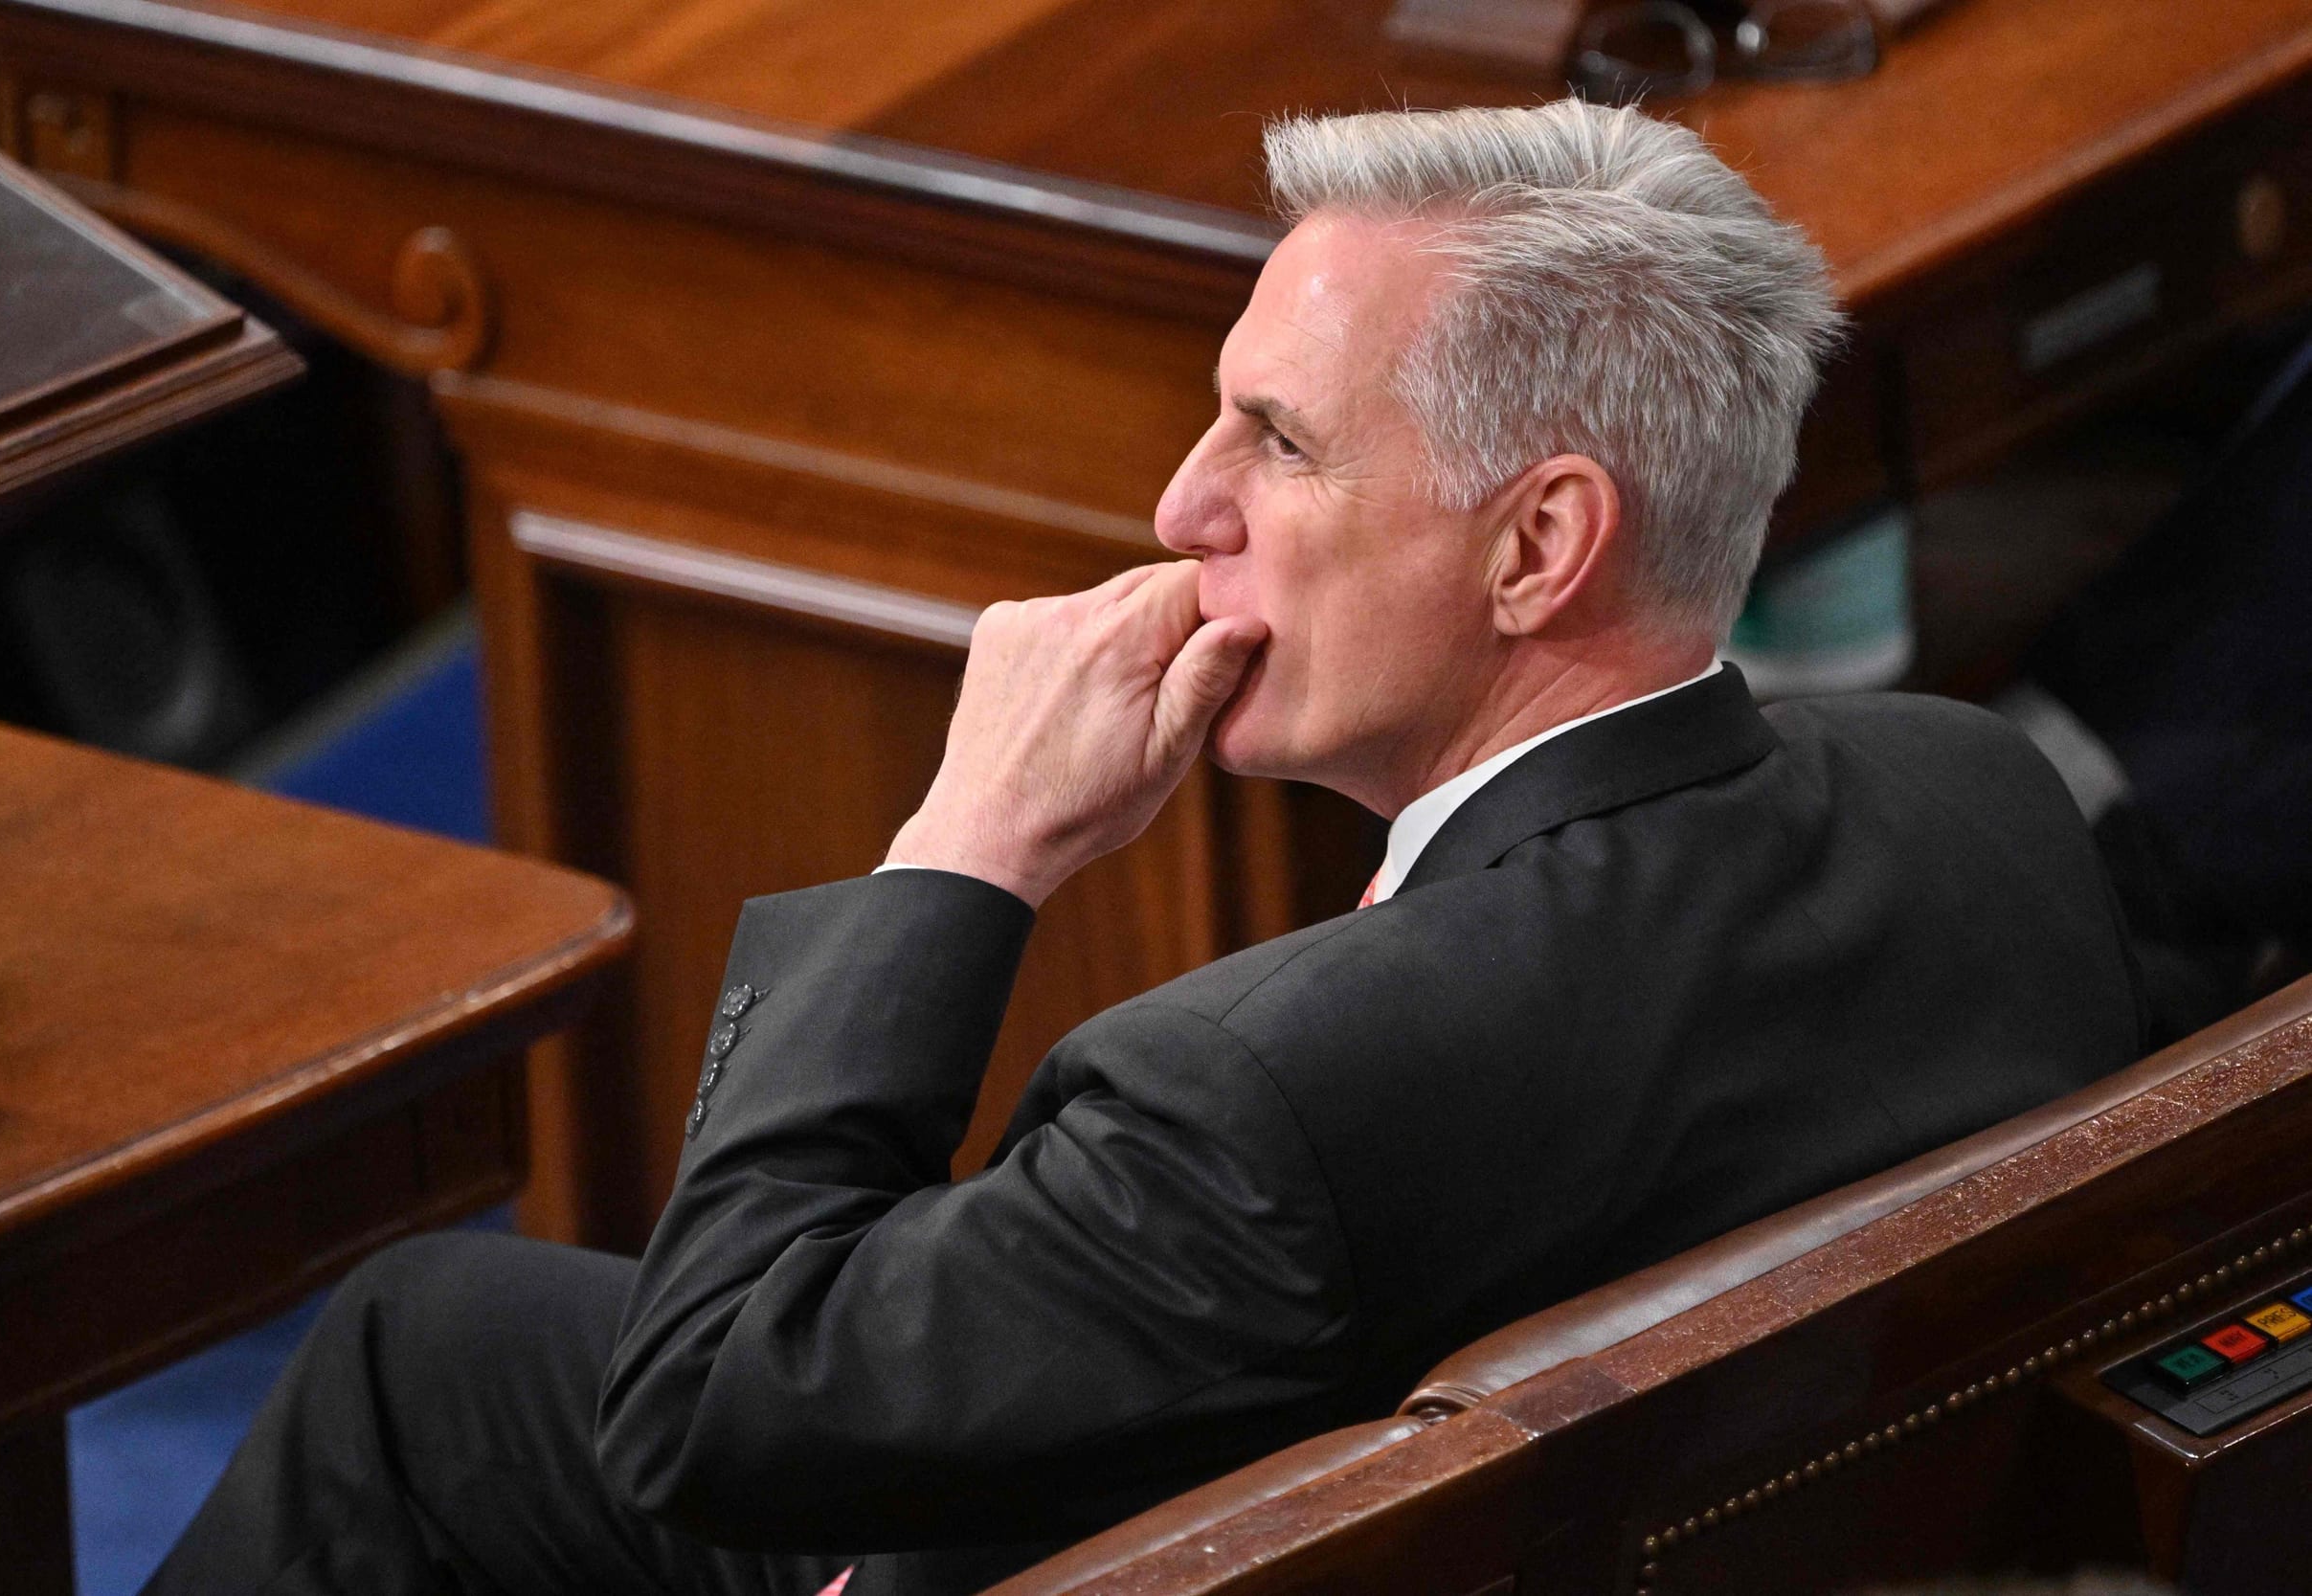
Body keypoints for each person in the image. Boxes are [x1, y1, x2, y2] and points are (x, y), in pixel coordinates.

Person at [148, 101, 2143, 1596]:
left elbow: (710, 1412)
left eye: (1274, 442)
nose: (1181, 502)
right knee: (435, 1349)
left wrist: (966, 846)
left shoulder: (1261, 1100)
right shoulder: (1975, 803)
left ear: (1536, 545)